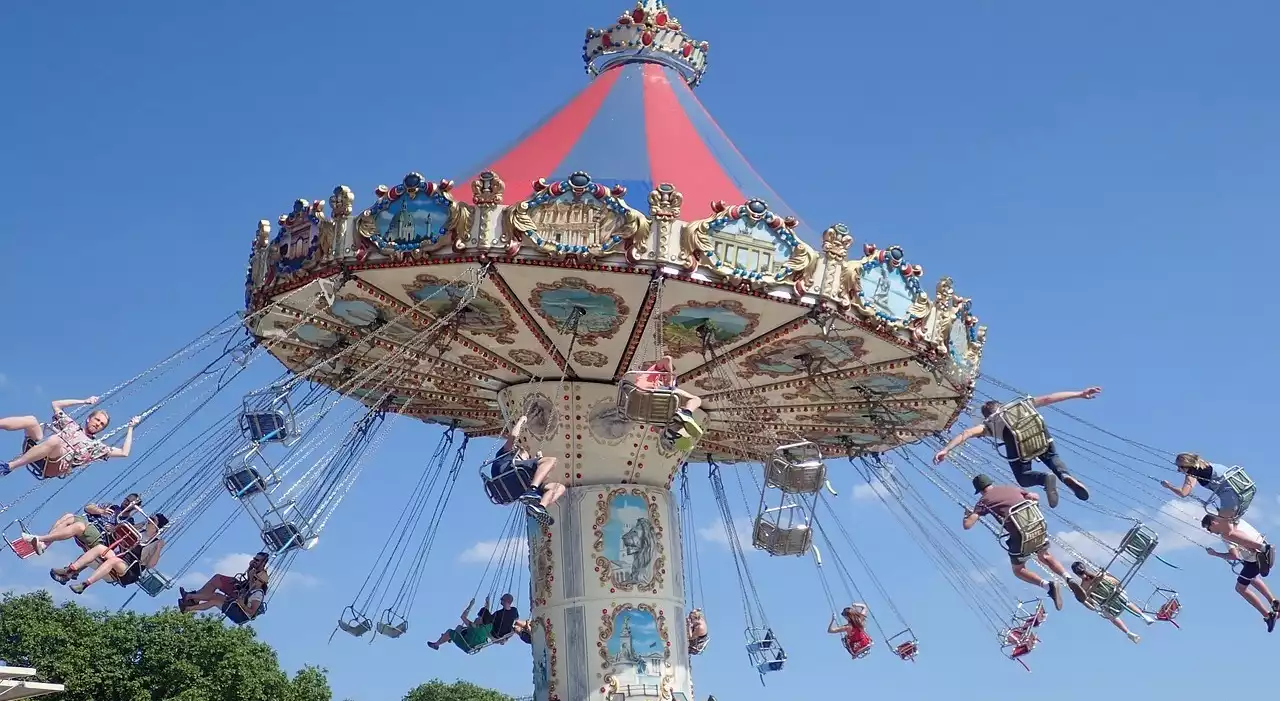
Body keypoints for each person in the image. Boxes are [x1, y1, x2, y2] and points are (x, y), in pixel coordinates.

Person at [934, 388, 1100, 508]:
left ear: (986, 414)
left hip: (1018, 447)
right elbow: (1050, 398)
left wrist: (946, 449)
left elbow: (967, 432)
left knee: (1022, 477)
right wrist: (1079, 394)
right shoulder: (1021, 406)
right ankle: (1064, 476)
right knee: (1052, 457)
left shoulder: (989, 424)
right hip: (1039, 436)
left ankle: (1044, 479)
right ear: (1000, 405)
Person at [964, 474, 1072, 610]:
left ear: (979, 490)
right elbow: (1035, 497)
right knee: (1045, 556)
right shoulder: (1011, 488)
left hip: (1019, 536)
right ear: (991, 482)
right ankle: (1068, 577)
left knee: (1018, 570)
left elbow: (968, 525)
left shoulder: (983, 501)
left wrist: (967, 515)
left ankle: (1048, 586)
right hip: (1036, 526)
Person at [1163, 453, 1273, 572]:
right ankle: (1257, 552)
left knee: (1226, 534)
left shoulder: (1192, 472)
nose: (1178, 470)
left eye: (1179, 467)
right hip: (1242, 495)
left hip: (1230, 498)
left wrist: (1169, 486)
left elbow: (1184, 493)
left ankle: (1263, 548)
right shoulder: (1208, 465)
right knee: (1233, 529)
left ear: (1186, 465)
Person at [0, 397, 140, 479]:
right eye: (97, 420)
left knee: (56, 440)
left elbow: (124, 452)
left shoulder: (96, 446)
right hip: (38, 450)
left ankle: (9, 466)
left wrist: (130, 428)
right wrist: (85, 401)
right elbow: (56, 404)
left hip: (53, 465)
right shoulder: (71, 425)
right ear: (88, 419)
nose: (98, 424)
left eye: (102, 424)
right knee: (31, 420)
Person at [50, 514, 168, 594]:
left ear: (157, 526)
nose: (149, 520)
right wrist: (139, 524)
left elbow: (150, 565)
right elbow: (119, 531)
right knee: (100, 549)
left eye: (153, 520)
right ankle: (70, 571)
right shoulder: (139, 531)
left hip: (130, 571)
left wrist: (158, 548)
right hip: (120, 559)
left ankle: (85, 584)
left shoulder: (155, 542)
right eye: (150, 518)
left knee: (113, 561)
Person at [1202, 514, 1280, 631]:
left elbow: (1234, 556)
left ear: (1213, 523)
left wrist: (1215, 554)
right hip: (1261, 547)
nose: (1211, 532)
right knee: (1252, 578)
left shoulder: (1226, 534)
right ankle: (1274, 602)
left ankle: (1268, 615)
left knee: (1240, 588)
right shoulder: (1235, 520)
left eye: (1209, 529)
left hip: (1255, 560)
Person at [489, 414, 565, 526]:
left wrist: (538, 460)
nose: (528, 458)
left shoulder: (523, 474)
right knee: (551, 461)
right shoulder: (506, 455)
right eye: (527, 456)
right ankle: (532, 490)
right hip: (511, 475)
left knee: (559, 487)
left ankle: (539, 508)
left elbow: (543, 477)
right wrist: (520, 421)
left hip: (513, 487)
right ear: (518, 453)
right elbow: (513, 437)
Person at [21, 494, 143, 556]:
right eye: (126, 499)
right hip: (88, 523)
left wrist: (113, 529)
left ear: (134, 507)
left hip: (99, 537)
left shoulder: (128, 522)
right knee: (68, 516)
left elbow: (120, 538)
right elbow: (88, 507)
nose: (125, 502)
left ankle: (38, 539)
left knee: (78, 526)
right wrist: (100, 511)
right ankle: (44, 545)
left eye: (129, 502)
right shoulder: (112, 507)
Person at [1069, 561, 1153, 643]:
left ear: (1077, 574)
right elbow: (1116, 581)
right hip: (1115, 596)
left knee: (1110, 616)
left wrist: (1086, 600)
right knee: (1126, 602)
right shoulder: (1099, 574)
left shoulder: (1083, 587)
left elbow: (1090, 605)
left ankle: (1128, 632)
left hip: (1108, 604)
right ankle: (1143, 616)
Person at [634, 356, 702, 451]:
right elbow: (667, 359)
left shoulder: (638, 381)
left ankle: (670, 431)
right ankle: (686, 414)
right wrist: (669, 374)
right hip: (655, 394)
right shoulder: (652, 373)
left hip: (645, 405)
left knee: (664, 419)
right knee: (696, 400)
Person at [179, 551, 270, 617]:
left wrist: (251, 578)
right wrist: (250, 567)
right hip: (240, 588)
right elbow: (248, 579)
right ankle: (193, 599)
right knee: (217, 578)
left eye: (257, 560)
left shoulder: (261, 578)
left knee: (215, 597)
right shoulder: (254, 570)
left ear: (263, 563)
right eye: (254, 559)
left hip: (241, 595)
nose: (255, 561)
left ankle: (191, 598)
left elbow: (251, 590)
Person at [427, 598, 496, 653]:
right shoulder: (488, 626)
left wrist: (470, 605)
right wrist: (487, 603)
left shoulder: (474, 626)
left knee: (450, 632)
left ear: (481, 620)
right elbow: (486, 614)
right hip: (475, 642)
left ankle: (436, 644)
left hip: (468, 646)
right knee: (459, 627)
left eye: (478, 617)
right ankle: (448, 638)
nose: (476, 618)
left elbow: (463, 617)